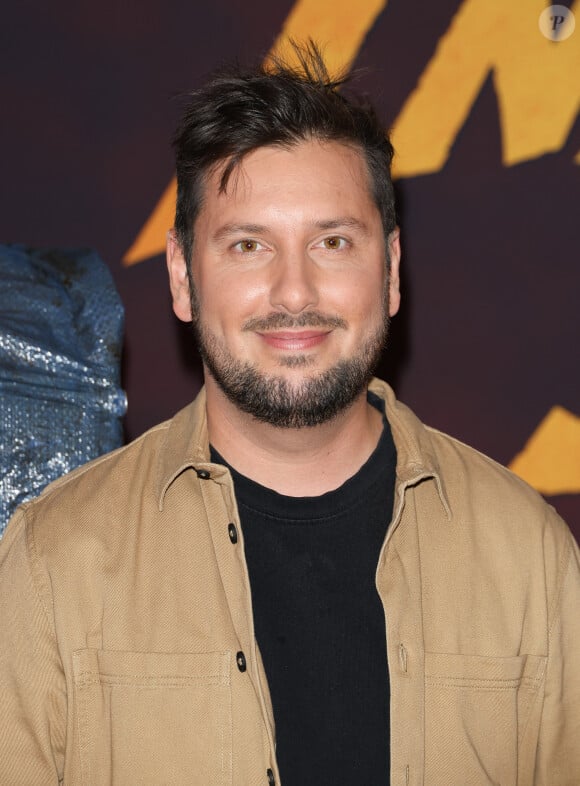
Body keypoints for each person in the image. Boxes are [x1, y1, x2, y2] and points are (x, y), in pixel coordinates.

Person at [0, 43, 578, 786]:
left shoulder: (528, 556)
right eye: (248, 245)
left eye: (332, 242)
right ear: (182, 276)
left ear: (393, 271)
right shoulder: (53, 564)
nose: (295, 292)